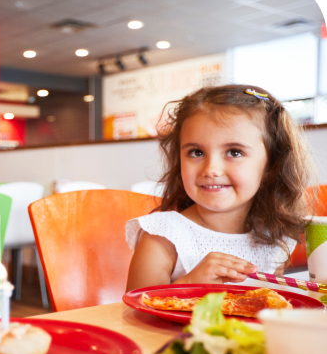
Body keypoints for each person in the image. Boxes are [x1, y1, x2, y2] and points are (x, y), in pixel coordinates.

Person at [125, 85, 316, 292]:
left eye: (234, 152)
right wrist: (189, 285)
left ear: (271, 166)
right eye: (196, 152)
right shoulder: (162, 237)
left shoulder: (273, 240)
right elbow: (135, 314)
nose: (211, 169)